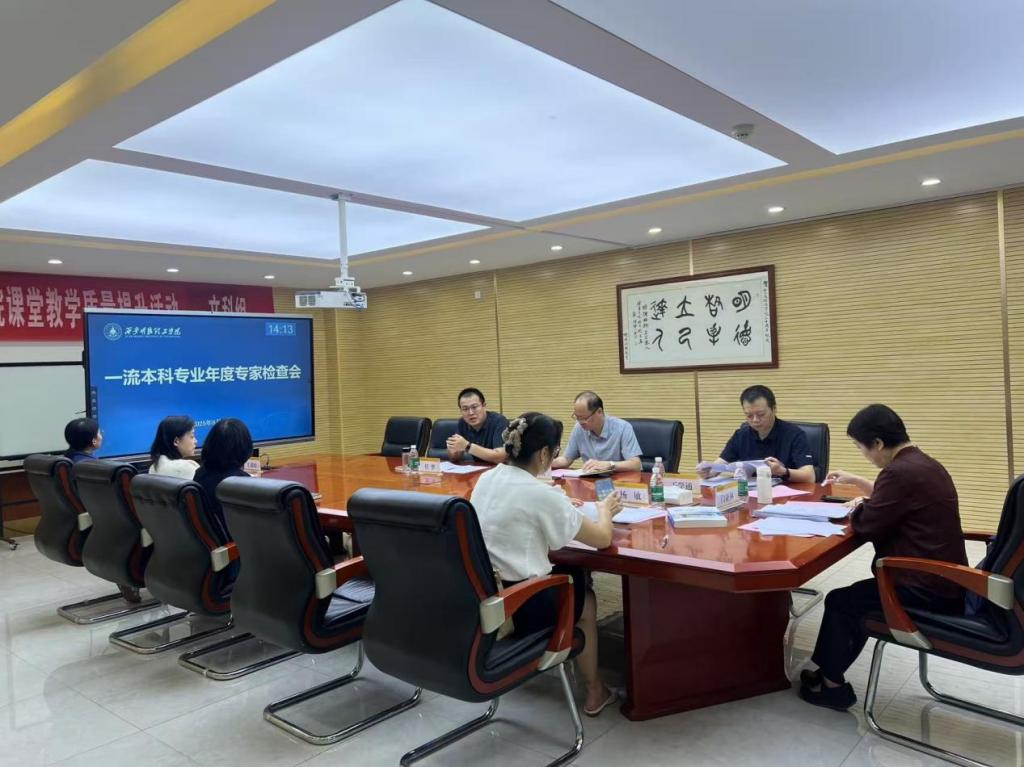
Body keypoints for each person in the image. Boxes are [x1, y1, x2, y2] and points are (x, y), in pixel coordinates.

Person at [799, 404, 967, 711]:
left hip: (924, 588)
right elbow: (893, 502)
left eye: (860, 447)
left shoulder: (899, 472)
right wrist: (867, 498)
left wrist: (859, 507)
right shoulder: (923, 463)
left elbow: (867, 525)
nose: (864, 455)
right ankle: (828, 672)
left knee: (841, 602)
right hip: (945, 579)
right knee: (854, 598)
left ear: (877, 443)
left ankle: (832, 688)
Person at [470, 412, 623, 716]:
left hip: (486, 597)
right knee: (586, 598)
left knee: (572, 576)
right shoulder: (540, 494)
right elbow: (602, 538)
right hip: (524, 607)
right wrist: (606, 509)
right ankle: (595, 690)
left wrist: (556, 500)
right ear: (542, 454)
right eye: (554, 453)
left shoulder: (486, 479)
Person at [696, 385, 814, 483]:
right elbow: (720, 465)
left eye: (761, 414)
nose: (755, 420)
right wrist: (707, 471)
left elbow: (810, 477)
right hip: (749, 495)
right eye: (749, 415)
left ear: (774, 409)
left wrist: (783, 471)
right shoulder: (741, 435)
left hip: (785, 496)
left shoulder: (794, 434)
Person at [549, 391, 642, 473]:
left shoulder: (623, 428)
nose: (580, 422)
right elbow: (566, 459)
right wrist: (546, 462)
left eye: (584, 418)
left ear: (599, 412)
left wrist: (609, 465)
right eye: (577, 417)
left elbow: (636, 464)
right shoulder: (579, 428)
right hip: (590, 481)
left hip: (618, 481)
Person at [193, 418, 253, 533]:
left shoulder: (199, 473)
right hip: (236, 541)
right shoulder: (242, 483)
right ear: (244, 447)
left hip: (211, 540)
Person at [445, 387, 509, 464]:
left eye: (474, 407)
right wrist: (453, 451)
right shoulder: (463, 422)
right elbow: (455, 458)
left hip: (501, 469)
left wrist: (467, 446)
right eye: (465, 409)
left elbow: (500, 458)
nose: (471, 413)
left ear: (484, 406)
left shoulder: (499, 421)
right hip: (479, 468)